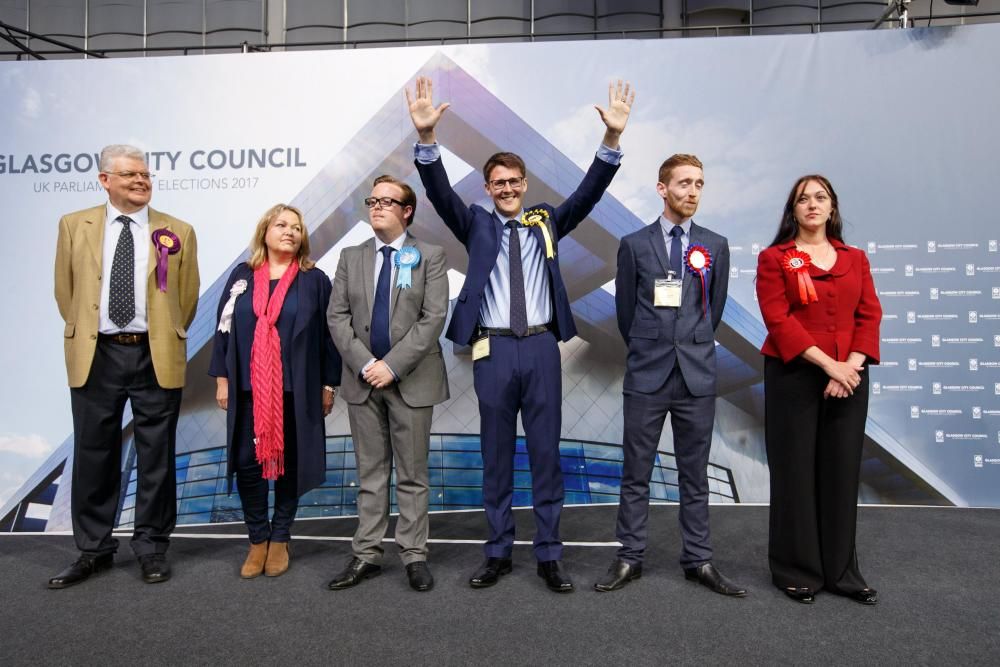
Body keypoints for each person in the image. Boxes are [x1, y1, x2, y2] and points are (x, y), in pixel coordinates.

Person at [407, 76, 635, 593]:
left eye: (514, 181)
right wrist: (426, 140)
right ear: (487, 189)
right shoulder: (477, 226)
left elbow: (589, 194)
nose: (506, 189)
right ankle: (497, 552)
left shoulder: (547, 223)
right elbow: (440, 194)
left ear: (524, 184)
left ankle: (549, 556)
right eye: (497, 183)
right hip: (492, 349)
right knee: (496, 455)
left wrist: (612, 142)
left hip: (539, 346)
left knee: (546, 454)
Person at [50, 144, 200, 588]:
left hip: (155, 354)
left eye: (146, 175)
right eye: (130, 175)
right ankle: (93, 550)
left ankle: (152, 547)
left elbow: (186, 300)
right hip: (96, 354)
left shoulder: (179, 231)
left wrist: (159, 333)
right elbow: (66, 293)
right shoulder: (74, 225)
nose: (141, 181)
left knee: (157, 456)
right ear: (105, 180)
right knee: (94, 452)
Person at [595, 154, 745, 597]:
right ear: (662, 189)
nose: (693, 192)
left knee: (694, 475)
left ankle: (698, 560)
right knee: (636, 472)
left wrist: (691, 343)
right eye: (683, 184)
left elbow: (711, 311)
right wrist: (652, 344)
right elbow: (625, 312)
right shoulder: (634, 244)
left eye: (699, 183)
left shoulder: (715, 245)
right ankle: (629, 557)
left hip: (696, 376)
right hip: (647, 373)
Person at [755, 175, 881, 605]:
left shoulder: (856, 259)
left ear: (832, 207)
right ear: (793, 211)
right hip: (794, 377)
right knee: (794, 473)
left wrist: (851, 367)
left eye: (820, 197)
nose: (812, 204)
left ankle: (843, 573)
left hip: (851, 378)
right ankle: (796, 571)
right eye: (803, 199)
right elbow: (778, 318)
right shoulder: (775, 258)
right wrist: (830, 365)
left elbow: (870, 316)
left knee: (842, 473)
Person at [326, 175, 449, 593]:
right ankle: (366, 555)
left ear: (407, 210)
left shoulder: (429, 255)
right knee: (371, 474)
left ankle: (414, 555)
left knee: (413, 475)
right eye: (372, 200)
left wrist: (391, 366)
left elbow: (432, 319)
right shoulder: (350, 256)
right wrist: (365, 364)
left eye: (386, 201)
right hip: (363, 383)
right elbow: (336, 318)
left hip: (410, 381)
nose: (376, 207)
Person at [208, 204, 340, 579]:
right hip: (250, 388)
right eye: (282, 225)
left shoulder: (315, 280)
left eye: (296, 228)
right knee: (249, 464)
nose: (290, 232)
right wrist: (223, 379)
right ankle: (257, 538)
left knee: (289, 466)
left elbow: (330, 339)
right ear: (264, 231)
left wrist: (328, 384)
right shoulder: (242, 276)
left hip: (297, 389)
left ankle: (281, 537)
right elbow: (223, 330)